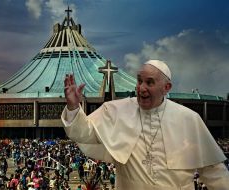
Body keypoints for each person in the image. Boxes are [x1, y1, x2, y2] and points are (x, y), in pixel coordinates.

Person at [61, 60, 229, 189]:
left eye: (149, 83)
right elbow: (83, 133)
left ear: (166, 87)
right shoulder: (115, 111)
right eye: (139, 81)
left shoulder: (189, 119)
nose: (141, 88)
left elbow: (214, 172)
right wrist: (73, 108)